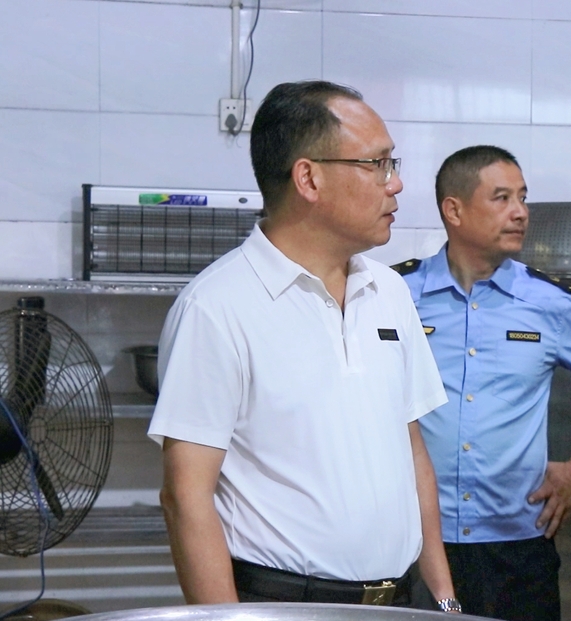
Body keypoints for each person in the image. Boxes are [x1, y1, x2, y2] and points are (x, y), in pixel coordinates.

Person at [147, 80, 460, 613]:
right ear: (309, 178)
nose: (397, 183)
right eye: (378, 164)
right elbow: (185, 497)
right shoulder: (218, 306)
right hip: (283, 603)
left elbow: (412, 454)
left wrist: (445, 600)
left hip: (400, 599)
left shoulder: (388, 292)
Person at [392, 145, 571, 621]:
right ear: (453, 210)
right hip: (415, 539)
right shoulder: (397, 295)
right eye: (501, 198)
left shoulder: (550, 303)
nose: (520, 212)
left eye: (522, 198)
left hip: (517, 546)